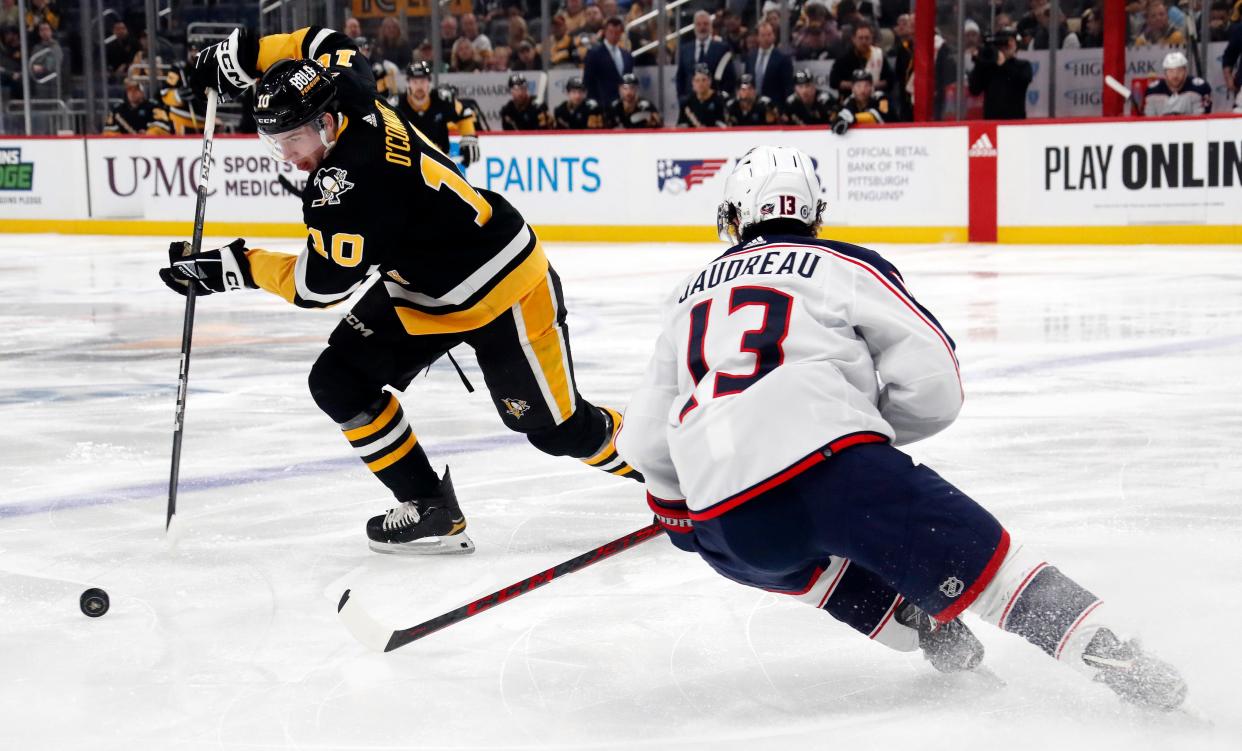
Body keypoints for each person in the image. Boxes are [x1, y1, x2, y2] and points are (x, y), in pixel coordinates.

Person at [615, 144, 1188, 712]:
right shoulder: (844, 264)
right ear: (813, 213)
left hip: (729, 517)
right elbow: (935, 384)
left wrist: (682, 519)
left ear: (735, 214)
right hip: (841, 475)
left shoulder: (685, 296)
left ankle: (910, 623)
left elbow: (643, 443)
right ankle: (1114, 658)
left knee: (788, 559)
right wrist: (850, 435)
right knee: (995, 576)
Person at [166, 27, 641, 555]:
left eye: (291, 141)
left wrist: (234, 266)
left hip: (503, 286)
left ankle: (676, 467)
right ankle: (430, 506)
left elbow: (318, 286)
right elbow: (328, 39)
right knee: (339, 381)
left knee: (561, 431)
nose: (287, 157)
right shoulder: (345, 89)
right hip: (425, 287)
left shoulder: (347, 187)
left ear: (324, 125)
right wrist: (245, 54)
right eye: (274, 144)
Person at [395, 61, 480, 166]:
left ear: (429, 81)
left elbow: (464, 112)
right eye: (415, 81)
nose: (419, 86)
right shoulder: (396, 105)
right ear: (408, 83)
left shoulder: (442, 99)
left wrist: (469, 138)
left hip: (440, 164)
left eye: (423, 81)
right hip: (407, 164)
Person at [967, 29, 1032, 120]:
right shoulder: (989, 67)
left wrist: (1003, 64)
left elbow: (1023, 80)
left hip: (1015, 121)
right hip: (991, 121)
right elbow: (974, 90)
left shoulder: (1023, 65)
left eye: (1010, 43)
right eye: (1003, 43)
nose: (1005, 46)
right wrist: (980, 63)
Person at [675, 10, 736, 102]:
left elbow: (730, 78)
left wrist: (721, 99)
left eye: (705, 24)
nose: (702, 27)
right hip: (690, 103)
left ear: (711, 26)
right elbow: (680, 77)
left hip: (714, 103)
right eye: (699, 24)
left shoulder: (722, 48)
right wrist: (682, 98)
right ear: (694, 27)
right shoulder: (685, 49)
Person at [829, 22, 893, 100]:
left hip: (875, 99)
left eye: (867, 38)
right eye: (860, 38)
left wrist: (871, 86)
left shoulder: (878, 55)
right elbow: (834, 82)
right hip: (850, 100)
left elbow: (890, 80)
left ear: (872, 39)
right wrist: (856, 86)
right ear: (854, 39)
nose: (864, 41)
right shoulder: (843, 59)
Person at [582, 16, 633, 107]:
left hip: (623, 104)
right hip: (601, 104)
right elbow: (587, 80)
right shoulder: (594, 53)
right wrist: (591, 101)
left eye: (617, 33)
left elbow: (629, 80)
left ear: (621, 33)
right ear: (604, 32)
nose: (613, 35)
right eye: (611, 32)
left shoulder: (627, 55)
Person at [1143, 51, 1212, 116]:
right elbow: (1149, 121)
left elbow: (1201, 120)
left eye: (1179, 70)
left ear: (1185, 72)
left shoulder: (1199, 88)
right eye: (1171, 71)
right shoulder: (1153, 91)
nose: (1175, 75)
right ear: (1165, 73)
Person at [744, 21, 794, 104]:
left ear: (774, 36)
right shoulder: (751, 57)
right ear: (758, 37)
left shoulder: (782, 58)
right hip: (753, 105)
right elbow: (747, 80)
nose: (766, 38)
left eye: (769, 34)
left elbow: (788, 86)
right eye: (763, 35)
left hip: (774, 105)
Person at [103, 77, 173, 135]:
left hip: (150, 148)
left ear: (142, 92)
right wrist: (122, 141)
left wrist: (148, 135)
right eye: (129, 90)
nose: (132, 93)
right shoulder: (118, 110)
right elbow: (108, 132)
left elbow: (163, 127)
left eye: (135, 90)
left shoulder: (153, 107)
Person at [834, 67, 888, 134]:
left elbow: (880, 116)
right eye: (858, 86)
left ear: (872, 87)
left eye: (866, 85)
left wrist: (853, 118)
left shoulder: (881, 98)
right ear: (852, 88)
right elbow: (844, 114)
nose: (862, 90)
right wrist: (841, 119)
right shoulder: (849, 101)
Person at [677, 63, 729, 128]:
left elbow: (724, 127)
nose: (700, 84)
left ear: (710, 81)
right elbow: (680, 127)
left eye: (704, 80)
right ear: (692, 83)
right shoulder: (687, 103)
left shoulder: (719, 101)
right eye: (697, 80)